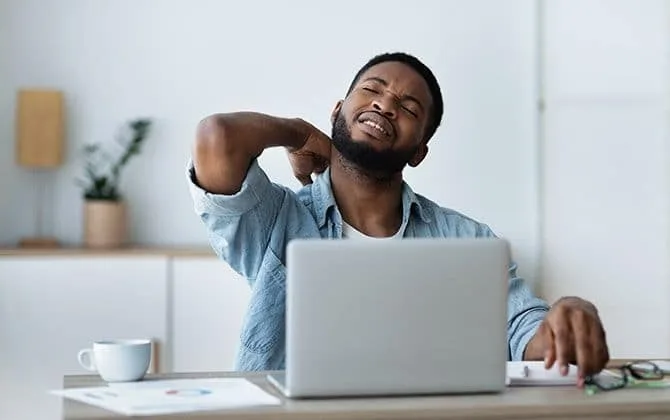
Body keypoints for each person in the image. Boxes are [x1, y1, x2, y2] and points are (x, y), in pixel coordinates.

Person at [187, 52, 609, 385]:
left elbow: (523, 333)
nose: (385, 105)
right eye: (372, 89)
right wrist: (297, 132)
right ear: (338, 111)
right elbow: (217, 137)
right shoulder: (277, 218)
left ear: (418, 152)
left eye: (408, 107)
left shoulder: (465, 239)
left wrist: (565, 316)